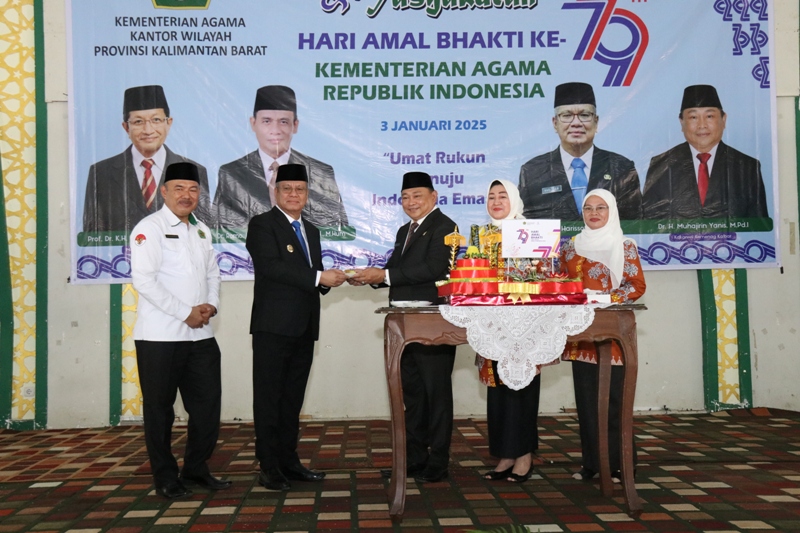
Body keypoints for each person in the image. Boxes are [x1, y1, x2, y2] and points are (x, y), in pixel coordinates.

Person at [130, 161, 230, 499]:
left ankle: (196, 468)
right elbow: (144, 280)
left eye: (192, 189)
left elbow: (212, 273)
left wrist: (211, 304)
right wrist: (185, 313)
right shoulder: (149, 228)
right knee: (160, 411)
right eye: (179, 189)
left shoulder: (201, 231)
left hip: (201, 336)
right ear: (164, 192)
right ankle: (165, 477)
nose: (186, 195)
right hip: (160, 338)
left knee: (207, 407)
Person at [350, 172, 457, 483]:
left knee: (436, 394)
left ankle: (438, 462)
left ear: (434, 197)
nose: (411, 202)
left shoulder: (445, 227)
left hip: (433, 322)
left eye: (417, 196)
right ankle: (415, 458)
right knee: (413, 394)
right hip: (404, 322)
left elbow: (434, 268)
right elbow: (397, 269)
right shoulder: (405, 230)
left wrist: (383, 276)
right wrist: (369, 278)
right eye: (405, 197)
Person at [246, 163, 347, 491]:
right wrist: (319, 277)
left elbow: (312, 275)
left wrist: (334, 279)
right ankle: (268, 466)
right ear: (276, 192)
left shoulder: (311, 231)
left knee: (292, 400)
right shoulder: (262, 225)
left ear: (307, 194)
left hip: (304, 327)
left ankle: (289, 461)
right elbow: (272, 267)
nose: (294, 194)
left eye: (300, 189)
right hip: (273, 327)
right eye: (287, 189)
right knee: (269, 399)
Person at [558, 188, 646, 482]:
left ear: (612, 211)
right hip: (581, 335)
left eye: (601, 208)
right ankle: (593, 464)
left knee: (614, 402)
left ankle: (622, 465)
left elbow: (636, 285)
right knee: (586, 403)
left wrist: (605, 298)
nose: (594, 213)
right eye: (588, 208)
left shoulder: (624, 245)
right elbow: (561, 281)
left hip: (612, 333)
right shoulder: (570, 247)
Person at [214, 85, 348, 230]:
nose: (275, 130)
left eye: (283, 122)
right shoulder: (232, 173)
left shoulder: (321, 173)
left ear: (295, 125)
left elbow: (339, 231)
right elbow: (219, 230)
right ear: (253, 123)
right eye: (267, 121)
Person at [477, 179, 541, 483]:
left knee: (522, 388)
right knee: (498, 389)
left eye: (503, 196)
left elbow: (541, 275)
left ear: (514, 200)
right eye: (491, 197)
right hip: (492, 323)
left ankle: (524, 454)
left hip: (523, 322)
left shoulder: (529, 231)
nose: (496, 201)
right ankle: (505, 453)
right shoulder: (481, 234)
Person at [83, 85, 212, 234]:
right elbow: (92, 235)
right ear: (126, 127)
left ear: (168, 123)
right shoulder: (101, 173)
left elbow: (202, 231)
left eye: (156, 120)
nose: (148, 130)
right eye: (138, 122)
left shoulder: (196, 171)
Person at [518, 82, 642, 221]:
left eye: (584, 115)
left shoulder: (621, 168)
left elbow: (636, 224)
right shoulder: (533, 172)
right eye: (567, 115)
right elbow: (524, 224)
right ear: (555, 123)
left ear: (596, 122)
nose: (576, 123)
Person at [642, 84, 769, 219]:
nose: (702, 125)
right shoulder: (661, 165)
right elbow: (650, 224)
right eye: (693, 117)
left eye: (709, 116)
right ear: (682, 122)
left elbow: (759, 224)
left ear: (723, 120)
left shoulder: (747, 167)